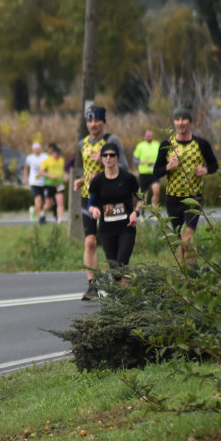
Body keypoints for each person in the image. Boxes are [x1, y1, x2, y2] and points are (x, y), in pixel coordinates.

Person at [73, 106, 127, 300]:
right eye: (90, 121)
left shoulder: (111, 141)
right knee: (90, 241)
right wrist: (81, 180)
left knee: (110, 243)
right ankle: (92, 286)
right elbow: (86, 169)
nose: (93, 124)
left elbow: (125, 167)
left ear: (103, 122)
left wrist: (105, 162)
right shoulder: (82, 144)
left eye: (97, 121)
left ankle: (120, 283)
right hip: (89, 198)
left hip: (110, 199)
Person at [153, 106, 219, 260]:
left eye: (184, 119)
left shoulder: (201, 144)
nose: (180, 123)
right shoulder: (166, 144)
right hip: (173, 198)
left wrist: (205, 170)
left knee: (187, 237)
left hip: (193, 197)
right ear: (174, 122)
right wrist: (168, 167)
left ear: (190, 121)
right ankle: (186, 274)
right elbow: (156, 171)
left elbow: (214, 165)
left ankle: (191, 274)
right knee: (179, 240)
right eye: (177, 119)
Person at [87, 141, 142, 276]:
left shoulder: (128, 178)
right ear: (101, 158)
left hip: (126, 228)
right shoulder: (97, 181)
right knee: (115, 273)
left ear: (117, 157)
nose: (108, 158)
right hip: (106, 230)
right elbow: (90, 204)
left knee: (121, 266)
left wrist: (136, 213)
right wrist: (94, 210)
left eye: (112, 155)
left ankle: (130, 295)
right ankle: (128, 294)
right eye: (105, 155)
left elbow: (142, 199)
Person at [133, 129, 161, 209]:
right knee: (143, 195)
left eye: (151, 136)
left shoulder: (157, 144)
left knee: (157, 192)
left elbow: (161, 157)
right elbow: (134, 159)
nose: (150, 137)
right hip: (144, 173)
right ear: (144, 136)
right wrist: (142, 162)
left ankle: (154, 211)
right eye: (148, 136)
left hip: (154, 173)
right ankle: (142, 213)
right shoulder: (140, 145)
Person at [38, 143, 66, 223]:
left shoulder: (61, 160)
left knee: (60, 201)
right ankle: (42, 213)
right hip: (49, 184)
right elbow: (41, 172)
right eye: (57, 154)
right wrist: (50, 176)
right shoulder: (47, 160)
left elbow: (62, 170)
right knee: (49, 204)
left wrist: (64, 176)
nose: (58, 156)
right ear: (53, 153)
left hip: (58, 184)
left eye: (59, 154)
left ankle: (60, 220)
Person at [24, 142, 49, 223]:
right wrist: (26, 178)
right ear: (33, 150)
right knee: (38, 198)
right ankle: (40, 217)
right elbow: (26, 168)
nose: (37, 151)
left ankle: (33, 210)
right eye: (35, 149)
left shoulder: (45, 156)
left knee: (43, 201)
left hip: (44, 181)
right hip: (34, 181)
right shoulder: (30, 158)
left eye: (38, 149)